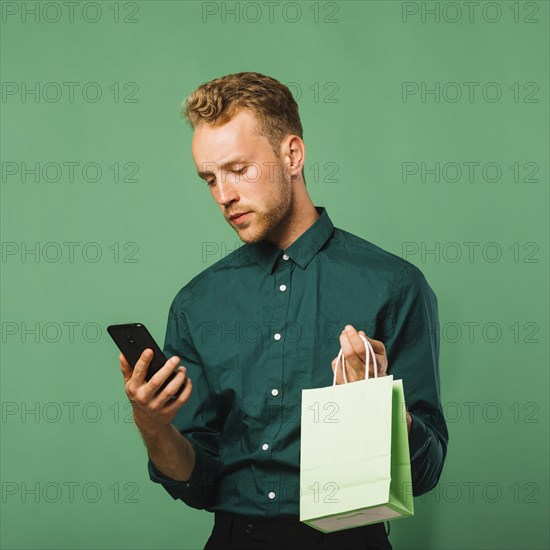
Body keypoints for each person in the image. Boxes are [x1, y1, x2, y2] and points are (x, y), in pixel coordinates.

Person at [118, 72, 449, 549]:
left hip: (349, 539)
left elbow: (428, 469)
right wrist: (152, 426)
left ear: (291, 155)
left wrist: (379, 410)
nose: (223, 195)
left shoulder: (393, 286)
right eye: (210, 179)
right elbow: (199, 480)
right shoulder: (196, 302)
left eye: (238, 169)